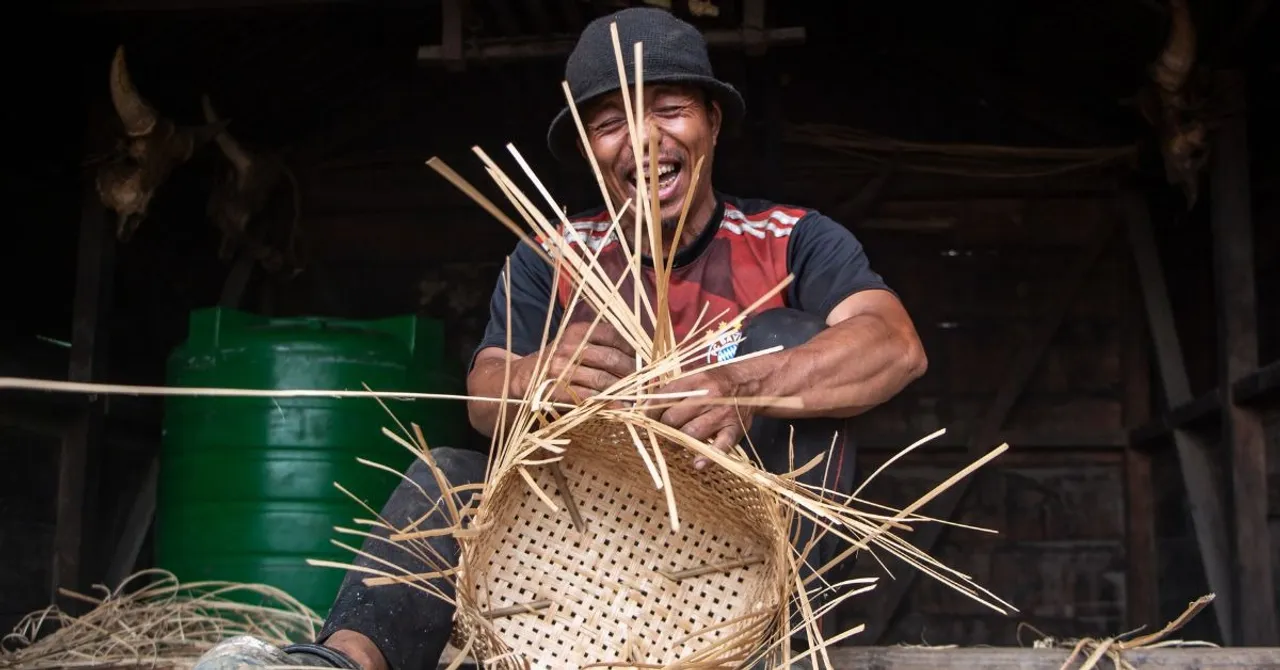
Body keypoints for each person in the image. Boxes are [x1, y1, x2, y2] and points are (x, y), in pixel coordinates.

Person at [193, 7, 925, 670]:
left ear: (712, 121)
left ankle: (767, 650)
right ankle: (340, 661)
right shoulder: (552, 254)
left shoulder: (793, 240)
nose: (642, 141)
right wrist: (535, 375)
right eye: (609, 124)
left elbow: (893, 344)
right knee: (448, 474)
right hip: (577, 553)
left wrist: (746, 384)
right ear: (585, 146)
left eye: (668, 110)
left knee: (786, 338)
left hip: (740, 566)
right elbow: (484, 394)